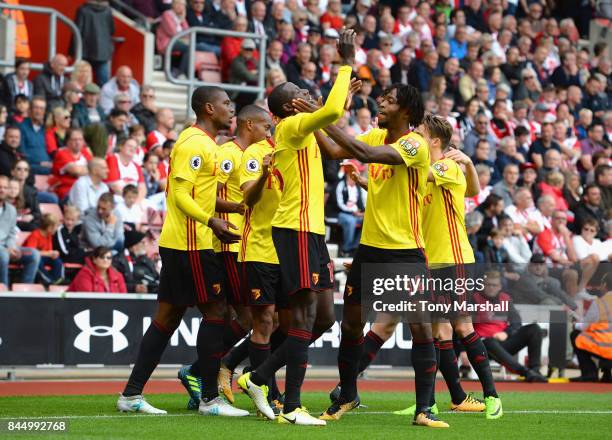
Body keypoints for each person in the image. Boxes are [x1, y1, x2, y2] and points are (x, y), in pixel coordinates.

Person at [296, 84, 454, 425]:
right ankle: (348, 396)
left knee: (421, 329)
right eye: (382, 98)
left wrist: (318, 115)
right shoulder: (374, 135)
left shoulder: (415, 144)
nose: (381, 103)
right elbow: (336, 150)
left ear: (407, 113)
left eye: (390, 101)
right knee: (351, 326)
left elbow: (362, 155)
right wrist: (313, 120)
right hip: (369, 249)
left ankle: (424, 409)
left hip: (406, 252)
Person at [237, 30, 356, 427]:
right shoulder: (290, 128)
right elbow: (332, 113)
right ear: (291, 104)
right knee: (304, 315)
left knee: (322, 317)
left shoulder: (302, 130)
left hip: (312, 231)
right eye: (301, 92)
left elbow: (337, 144)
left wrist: (341, 97)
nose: (308, 94)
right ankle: (291, 406)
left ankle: (258, 376)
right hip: (294, 230)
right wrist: (345, 63)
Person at [118, 85, 243, 416]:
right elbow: (177, 195)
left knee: (168, 317)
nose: (232, 109)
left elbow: (199, 194)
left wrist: (235, 206)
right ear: (207, 108)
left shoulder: (205, 143)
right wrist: (211, 221)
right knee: (217, 314)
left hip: (183, 242)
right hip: (191, 243)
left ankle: (131, 395)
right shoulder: (194, 144)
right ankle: (210, 400)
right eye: (226, 104)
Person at [182, 105, 274, 408]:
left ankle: (205, 370)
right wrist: (236, 209)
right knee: (249, 317)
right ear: (249, 125)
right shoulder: (228, 154)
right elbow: (210, 197)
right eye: (264, 128)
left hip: (243, 244)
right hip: (228, 245)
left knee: (252, 317)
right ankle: (201, 370)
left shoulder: (251, 155)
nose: (267, 133)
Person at [473, 271, 547, 382]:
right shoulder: (474, 299)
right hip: (483, 345)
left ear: (500, 287)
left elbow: (516, 322)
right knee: (488, 342)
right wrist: (464, 349)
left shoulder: (505, 299)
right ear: (482, 285)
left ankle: (535, 370)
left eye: (494, 285)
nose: (491, 288)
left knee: (534, 329)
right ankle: (526, 372)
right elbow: (464, 326)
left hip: (504, 342)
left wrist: (506, 333)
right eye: (488, 285)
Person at [571, 273, 612, 382]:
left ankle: (589, 373)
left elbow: (584, 326)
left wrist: (575, 324)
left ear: (604, 285)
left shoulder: (600, 303)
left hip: (605, 348)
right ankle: (607, 372)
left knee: (575, 335)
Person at [0, 175, 40, 286]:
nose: (2, 190)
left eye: (5, 187)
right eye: (0, 187)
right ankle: (4, 293)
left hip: (6, 247)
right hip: (2, 250)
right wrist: (5, 249)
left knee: (34, 254)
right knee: (3, 255)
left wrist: (12, 247)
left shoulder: (11, 209)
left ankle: (24, 292)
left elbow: (12, 232)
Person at [74, 0, 115, 86]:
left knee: (82, 81)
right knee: (103, 84)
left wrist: (72, 52)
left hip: (85, 51)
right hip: (103, 52)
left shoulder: (82, 10)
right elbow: (112, 30)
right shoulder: (108, 11)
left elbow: (76, 32)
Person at [50, 128, 92, 201]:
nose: (78, 142)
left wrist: (88, 170)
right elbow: (76, 171)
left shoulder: (85, 152)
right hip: (68, 192)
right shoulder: (62, 153)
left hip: (86, 190)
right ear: (68, 141)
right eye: (74, 140)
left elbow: (95, 169)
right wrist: (89, 170)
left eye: (80, 139)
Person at [23, 213, 64, 285]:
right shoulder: (35, 235)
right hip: (30, 258)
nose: (57, 229)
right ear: (49, 228)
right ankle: (48, 281)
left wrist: (53, 254)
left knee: (57, 261)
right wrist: (49, 253)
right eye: (55, 226)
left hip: (43, 257)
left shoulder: (49, 235)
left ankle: (58, 280)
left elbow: (49, 251)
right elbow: (31, 252)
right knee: (38, 262)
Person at [335, 170, 366, 256]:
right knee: (351, 221)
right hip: (343, 213)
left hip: (357, 214)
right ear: (347, 176)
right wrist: (352, 211)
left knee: (367, 221)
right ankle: (346, 248)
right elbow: (339, 203)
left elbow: (363, 202)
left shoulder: (359, 188)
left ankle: (355, 246)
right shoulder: (341, 185)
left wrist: (362, 212)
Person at [156, 0, 190, 77]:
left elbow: (188, 34)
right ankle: (180, 72)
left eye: (183, 5)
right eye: (178, 3)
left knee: (192, 47)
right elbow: (173, 32)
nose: (180, 6)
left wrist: (183, 19)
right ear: (173, 4)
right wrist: (181, 21)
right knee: (188, 48)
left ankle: (184, 73)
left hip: (178, 43)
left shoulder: (181, 17)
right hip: (167, 43)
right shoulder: (167, 14)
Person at [19, 96, 51, 175]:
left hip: (49, 170)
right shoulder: (21, 127)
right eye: (36, 108)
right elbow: (21, 154)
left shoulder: (47, 129)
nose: (38, 111)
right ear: (30, 110)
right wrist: (40, 163)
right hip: (30, 170)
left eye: (41, 108)